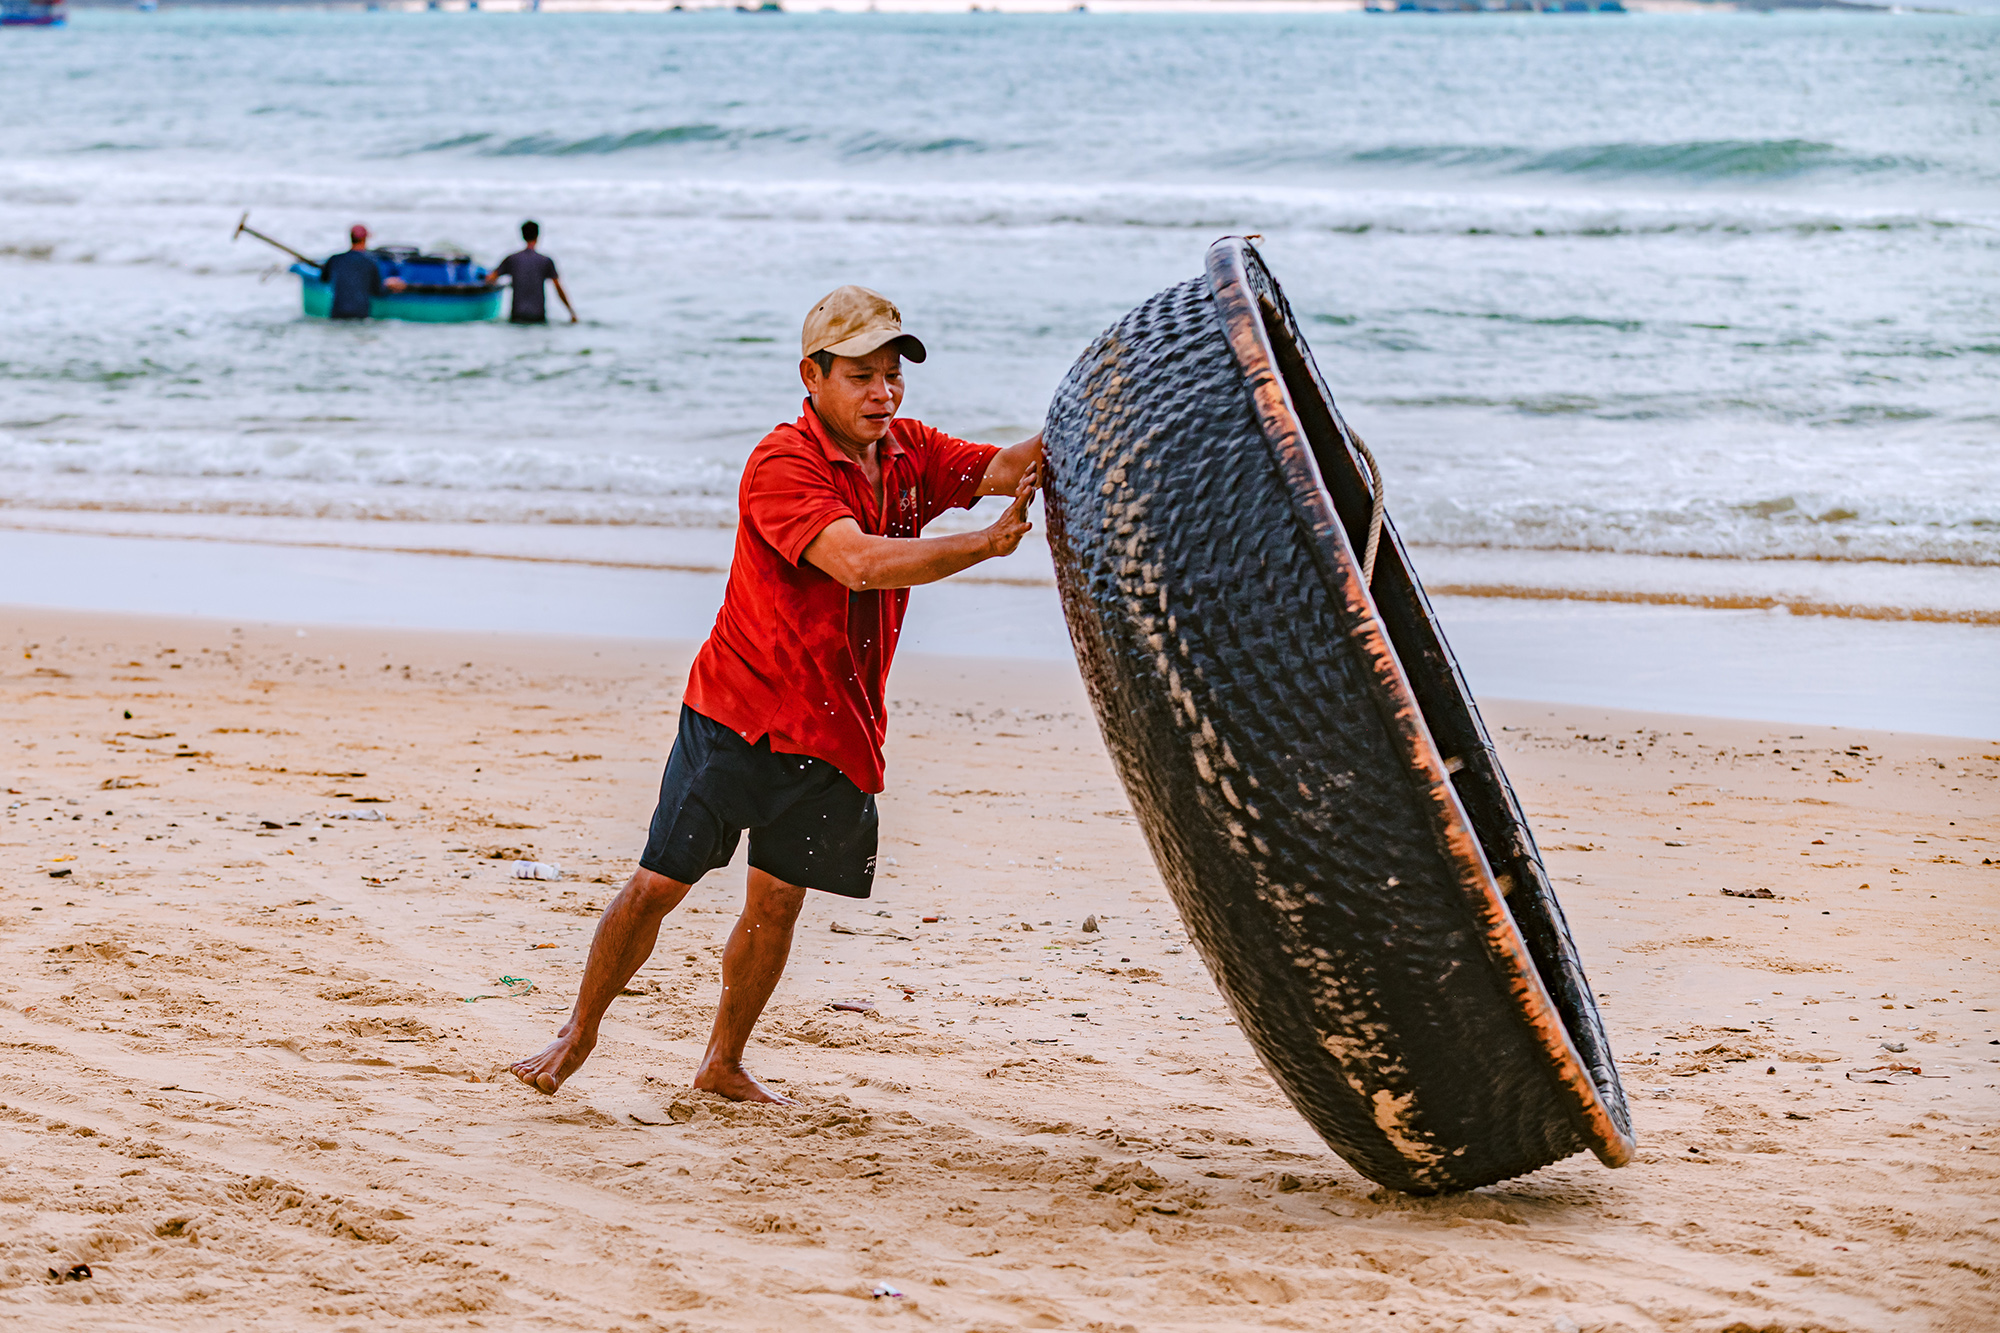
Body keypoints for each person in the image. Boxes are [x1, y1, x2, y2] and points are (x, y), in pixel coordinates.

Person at [511, 285, 1043, 1103]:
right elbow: (857, 561)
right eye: (863, 374)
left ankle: (721, 1062)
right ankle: (577, 1029)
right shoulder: (781, 463)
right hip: (741, 715)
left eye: (893, 374)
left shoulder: (908, 451)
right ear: (813, 375)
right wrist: (984, 543)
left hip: (836, 727)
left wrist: (1104, 404)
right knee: (660, 884)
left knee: (779, 902)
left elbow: (1011, 466)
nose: (884, 392)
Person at [485, 220, 577, 324]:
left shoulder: (512, 259)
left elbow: (490, 279)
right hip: (538, 315)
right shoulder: (546, 261)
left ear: (522, 236)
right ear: (538, 236)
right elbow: (558, 288)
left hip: (517, 315)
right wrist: (571, 312)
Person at [319, 225, 404, 321]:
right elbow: (377, 292)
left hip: (337, 313)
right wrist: (389, 286)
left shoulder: (335, 259)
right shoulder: (371, 262)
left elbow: (324, 279)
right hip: (360, 315)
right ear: (365, 239)